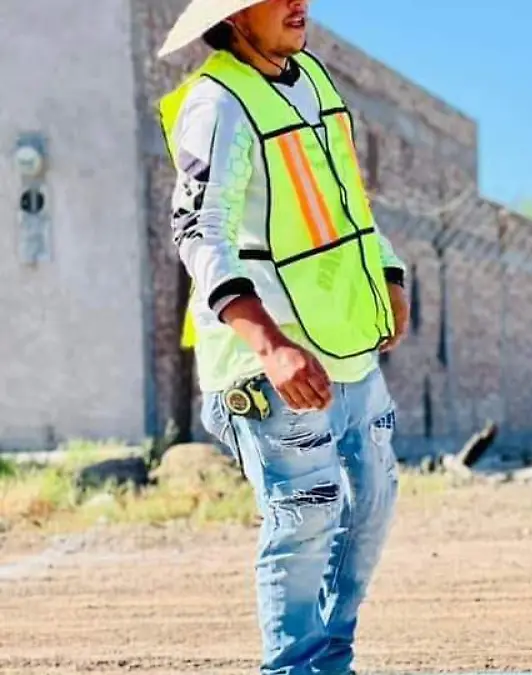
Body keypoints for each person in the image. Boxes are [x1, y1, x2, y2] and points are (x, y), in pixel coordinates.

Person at [157, 1, 410, 672]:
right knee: (306, 515)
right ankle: (295, 665)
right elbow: (198, 233)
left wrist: (387, 266)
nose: (299, 2)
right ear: (236, 18)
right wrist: (270, 346)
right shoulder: (217, 104)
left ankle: (330, 658)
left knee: (374, 500)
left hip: (344, 337)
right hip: (268, 355)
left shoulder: (314, 81)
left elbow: (344, 199)